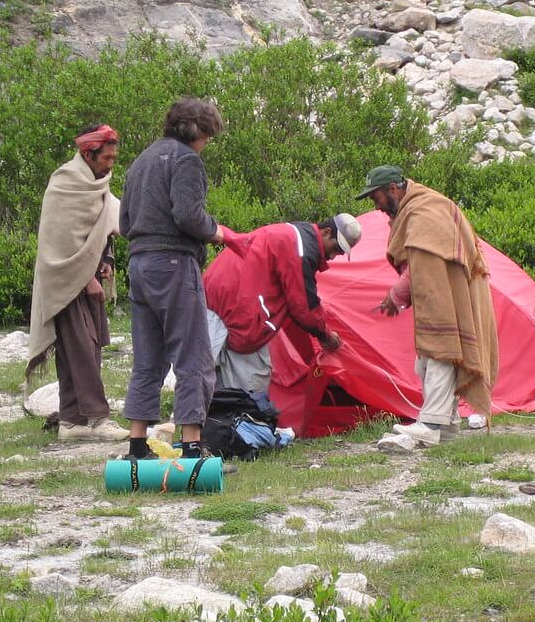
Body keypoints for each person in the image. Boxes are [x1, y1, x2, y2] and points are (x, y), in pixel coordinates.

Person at [357, 165, 499, 446]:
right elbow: (420, 262)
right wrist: (399, 295)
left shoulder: (425, 209)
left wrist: (397, 293)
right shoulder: (418, 207)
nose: (377, 207)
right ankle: (445, 423)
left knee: (439, 352)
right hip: (442, 291)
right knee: (428, 360)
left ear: (393, 189)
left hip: (452, 293)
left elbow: (425, 259)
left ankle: (432, 424)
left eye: (377, 198)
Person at [120, 98, 228, 460]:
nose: (207, 143)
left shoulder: (140, 162)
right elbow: (189, 216)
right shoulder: (185, 159)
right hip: (173, 264)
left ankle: (137, 446)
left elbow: (124, 224)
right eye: (208, 135)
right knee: (193, 355)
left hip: (138, 265)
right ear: (196, 130)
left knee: (148, 357)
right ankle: (193, 446)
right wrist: (216, 231)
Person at [26, 124, 130, 442]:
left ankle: (71, 421)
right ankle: (99, 419)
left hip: (88, 276)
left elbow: (102, 225)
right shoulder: (66, 182)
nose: (111, 164)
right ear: (88, 153)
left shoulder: (97, 183)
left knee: (82, 348)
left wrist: (107, 262)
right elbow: (61, 242)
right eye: (107, 158)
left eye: (114, 158)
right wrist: (87, 280)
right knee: (82, 347)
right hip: (65, 281)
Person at [203, 214, 362, 393]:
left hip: (218, 291)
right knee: (250, 388)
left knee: (206, 374)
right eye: (337, 248)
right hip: (233, 301)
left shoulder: (296, 233)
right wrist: (325, 335)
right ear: (327, 232)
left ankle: (200, 416)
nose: (334, 256)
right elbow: (303, 307)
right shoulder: (302, 249)